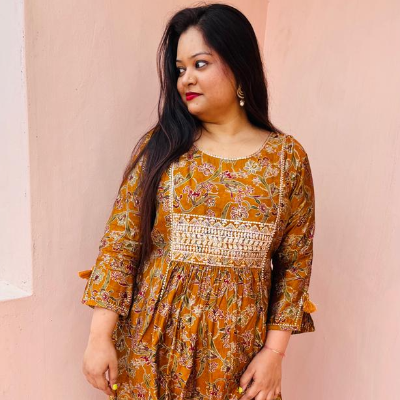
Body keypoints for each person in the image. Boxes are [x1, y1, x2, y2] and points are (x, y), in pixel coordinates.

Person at [78, 3, 317, 400]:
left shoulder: (286, 159)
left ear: (239, 65)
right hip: (152, 349)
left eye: (200, 64)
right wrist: (98, 336)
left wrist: (274, 353)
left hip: (238, 358)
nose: (185, 78)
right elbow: (121, 244)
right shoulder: (163, 148)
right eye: (180, 69)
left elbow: (295, 265)